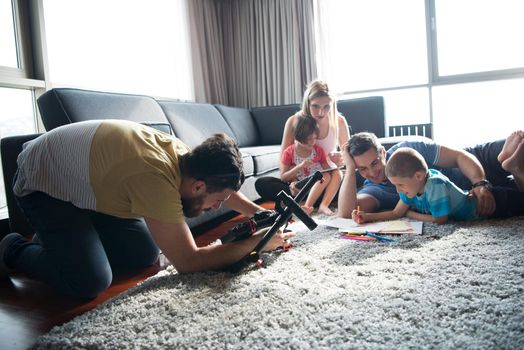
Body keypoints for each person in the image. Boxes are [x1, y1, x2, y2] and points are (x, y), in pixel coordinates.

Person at [0, 120, 295, 299]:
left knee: (144, 254)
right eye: (215, 202)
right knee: (89, 281)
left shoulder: (189, 162)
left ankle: (63, 241)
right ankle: (14, 248)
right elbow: (188, 261)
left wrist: (257, 213)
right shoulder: (155, 180)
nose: (216, 207)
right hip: (45, 186)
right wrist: (257, 242)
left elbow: (225, 193)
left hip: (88, 185)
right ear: (198, 187)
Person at [339, 130, 524, 218]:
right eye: (362, 169)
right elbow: (347, 214)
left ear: (382, 152)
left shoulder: (409, 148)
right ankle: (514, 170)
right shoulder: (373, 189)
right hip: (466, 196)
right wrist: (349, 169)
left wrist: (480, 183)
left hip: (475, 164)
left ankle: (509, 163)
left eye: (374, 163)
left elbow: (460, 156)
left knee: (520, 145)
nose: (372, 172)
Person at [255, 79, 350, 203]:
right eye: (315, 106)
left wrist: (339, 160)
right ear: (308, 103)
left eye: (326, 107)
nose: (321, 112)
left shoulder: (339, 121)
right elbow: (285, 163)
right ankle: (314, 198)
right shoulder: (294, 121)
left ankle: (306, 199)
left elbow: (350, 158)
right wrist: (292, 182)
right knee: (263, 183)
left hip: (327, 179)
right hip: (302, 181)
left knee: (354, 179)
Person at [280, 114, 338, 215]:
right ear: (298, 136)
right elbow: (284, 178)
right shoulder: (289, 152)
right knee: (264, 183)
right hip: (298, 188)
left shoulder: (318, 151)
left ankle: (306, 205)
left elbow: (328, 170)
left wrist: (335, 164)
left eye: (315, 138)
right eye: (309, 139)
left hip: (317, 187)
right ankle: (305, 204)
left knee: (326, 175)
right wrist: (300, 167)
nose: (313, 142)